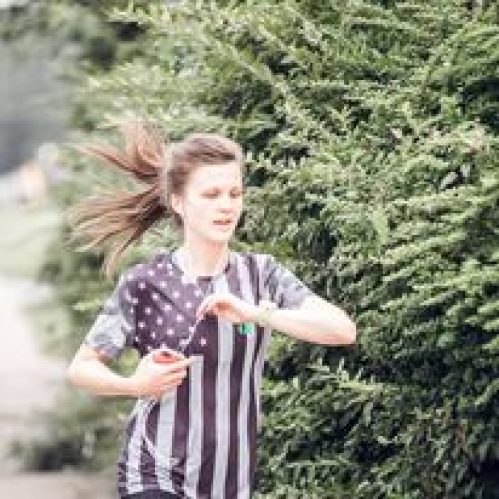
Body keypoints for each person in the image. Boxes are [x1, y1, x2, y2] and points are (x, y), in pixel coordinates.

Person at [67, 123, 357, 499]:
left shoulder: (261, 275)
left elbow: (342, 330)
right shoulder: (145, 283)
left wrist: (257, 314)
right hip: (153, 472)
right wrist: (134, 385)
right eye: (211, 194)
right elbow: (82, 368)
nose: (226, 206)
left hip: (230, 482)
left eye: (235, 193)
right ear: (178, 201)